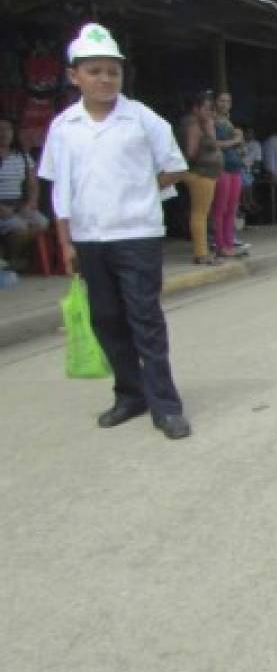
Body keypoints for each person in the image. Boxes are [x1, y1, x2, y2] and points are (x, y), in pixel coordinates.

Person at [38, 23, 191, 439]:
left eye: (113, 71)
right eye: (95, 71)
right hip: (90, 239)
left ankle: (165, 404)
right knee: (107, 319)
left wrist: (140, 188)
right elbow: (60, 188)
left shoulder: (142, 119)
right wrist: (66, 240)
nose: (105, 79)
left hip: (137, 233)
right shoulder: (64, 127)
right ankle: (130, 393)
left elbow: (175, 166)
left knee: (145, 319)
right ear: (75, 76)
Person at [179, 91, 222, 265]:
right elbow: (191, 151)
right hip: (200, 172)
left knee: (202, 213)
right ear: (196, 109)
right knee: (200, 214)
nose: (209, 112)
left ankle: (203, 250)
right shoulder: (193, 123)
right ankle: (201, 253)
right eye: (206, 108)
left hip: (207, 173)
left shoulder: (201, 122)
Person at [0, 115, 49, 269]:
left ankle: (13, 256)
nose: (4, 133)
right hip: (2, 206)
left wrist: (31, 203)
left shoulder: (22, 156)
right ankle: (11, 259)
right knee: (19, 227)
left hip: (18, 204)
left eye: (7, 129)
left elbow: (33, 185)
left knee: (42, 223)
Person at [212, 95, 246, 259]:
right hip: (222, 167)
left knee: (232, 208)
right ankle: (220, 244)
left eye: (228, 101)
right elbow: (214, 144)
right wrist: (235, 140)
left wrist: (240, 141)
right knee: (221, 208)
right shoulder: (213, 120)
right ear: (215, 103)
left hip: (235, 167)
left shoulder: (229, 121)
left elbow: (239, 145)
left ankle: (229, 241)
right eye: (221, 101)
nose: (225, 104)